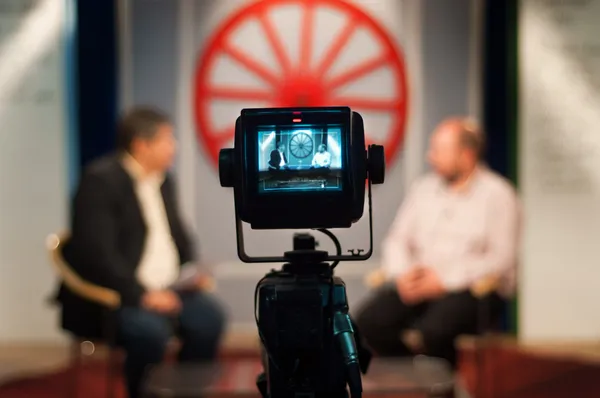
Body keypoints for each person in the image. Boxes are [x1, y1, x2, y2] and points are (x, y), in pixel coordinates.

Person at [60, 107, 226, 398]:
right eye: (167, 139)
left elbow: (179, 239)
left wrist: (190, 273)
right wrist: (142, 294)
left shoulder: (165, 182)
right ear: (141, 144)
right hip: (120, 296)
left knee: (209, 319)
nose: (173, 147)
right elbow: (97, 255)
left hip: (171, 288)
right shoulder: (100, 181)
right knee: (149, 333)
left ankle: (187, 392)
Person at [354, 117, 520, 366]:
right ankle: (415, 378)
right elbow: (397, 239)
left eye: (439, 151)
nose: (430, 157)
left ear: (466, 154)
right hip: (417, 283)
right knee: (367, 322)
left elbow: (501, 259)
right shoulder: (423, 188)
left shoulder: (499, 195)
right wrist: (405, 273)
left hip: (468, 289)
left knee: (434, 332)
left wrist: (443, 281)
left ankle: (446, 387)